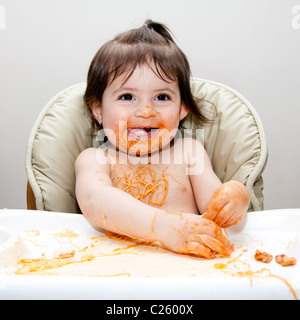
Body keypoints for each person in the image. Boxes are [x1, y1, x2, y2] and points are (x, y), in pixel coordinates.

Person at [75, 20, 250, 259]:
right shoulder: (95, 159)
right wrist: (163, 227)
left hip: (187, 272)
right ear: (98, 110)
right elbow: (96, 200)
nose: (146, 110)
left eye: (162, 96)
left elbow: (218, 212)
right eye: (127, 96)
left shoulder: (189, 153)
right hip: (113, 270)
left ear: (182, 109)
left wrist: (236, 197)